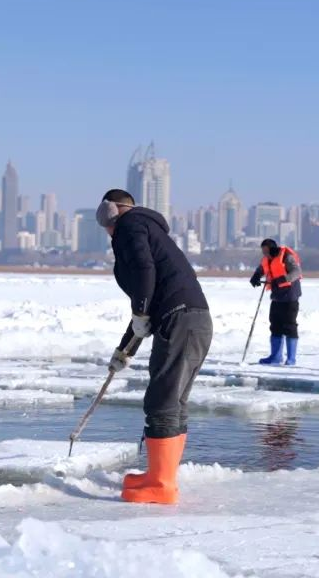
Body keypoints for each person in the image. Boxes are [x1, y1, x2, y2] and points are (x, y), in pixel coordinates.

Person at [95, 189, 213, 504]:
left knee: (162, 402)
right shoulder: (149, 228)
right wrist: (124, 351)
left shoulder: (130, 226)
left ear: (111, 212)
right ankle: (161, 478)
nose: (105, 229)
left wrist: (141, 311)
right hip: (193, 320)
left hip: (180, 321)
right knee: (173, 402)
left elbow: (145, 278)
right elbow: (145, 303)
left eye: (103, 220)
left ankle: (161, 484)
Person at [248, 238, 302, 365]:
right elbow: (261, 269)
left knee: (289, 326)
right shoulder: (267, 259)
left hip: (290, 296)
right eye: (263, 251)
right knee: (275, 325)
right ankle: (276, 356)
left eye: (266, 250)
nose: (264, 254)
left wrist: (285, 278)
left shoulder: (286, 257)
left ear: (272, 248)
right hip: (277, 296)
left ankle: (291, 359)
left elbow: (297, 272)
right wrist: (255, 276)